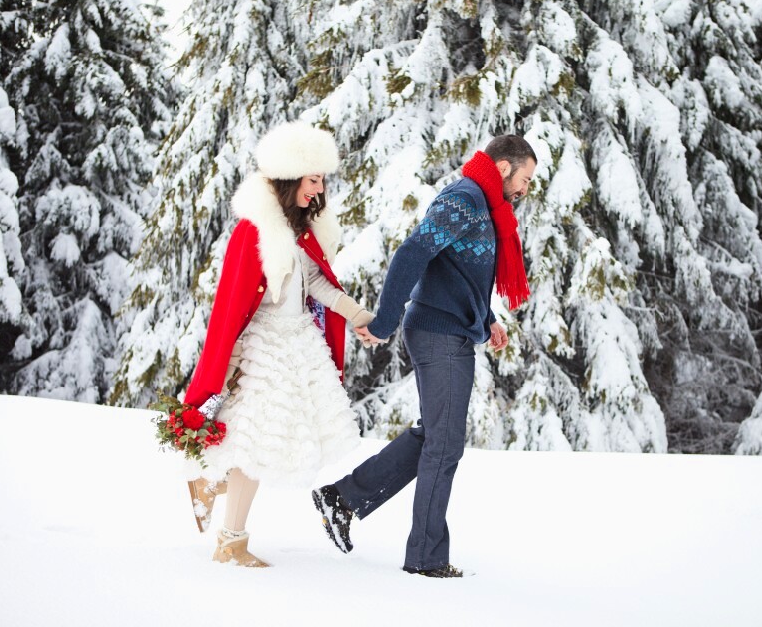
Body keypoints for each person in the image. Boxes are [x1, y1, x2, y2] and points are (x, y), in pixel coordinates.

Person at [312, 135, 537, 578]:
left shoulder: (483, 204)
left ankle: (343, 498)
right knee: (445, 444)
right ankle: (426, 558)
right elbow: (413, 253)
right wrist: (382, 321)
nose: (527, 188)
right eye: (526, 177)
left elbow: (458, 270)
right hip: (439, 334)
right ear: (505, 167)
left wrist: (486, 317)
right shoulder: (466, 198)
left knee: (434, 436)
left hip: (451, 328)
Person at [180, 122, 372, 568]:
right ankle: (230, 541)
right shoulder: (256, 231)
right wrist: (228, 359)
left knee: (264, 443)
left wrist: (357, 314)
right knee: (257, 444)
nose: (319, 188)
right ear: (290, 178)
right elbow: (235, 302)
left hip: (299, 345)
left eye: (322, 180)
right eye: (313, 179)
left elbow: (318, 285)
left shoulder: (303, 229)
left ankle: (210, 485)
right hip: (265, 348)